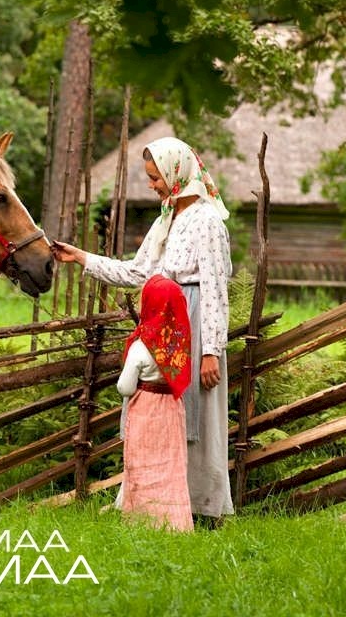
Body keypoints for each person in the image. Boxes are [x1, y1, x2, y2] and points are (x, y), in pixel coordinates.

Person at [52, 136, 234, 520]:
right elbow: (137, 272)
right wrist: (82, 257)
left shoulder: (208, 222)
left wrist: (211, 350)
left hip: (193, 323)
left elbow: (217, 287)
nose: (151, 186)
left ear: (176, 174)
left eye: (156, 179)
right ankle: (153, 499)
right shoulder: (166, 219)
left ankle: (200, 503)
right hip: (163, 321)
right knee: (158, 407)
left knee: (193, 412)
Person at [117, 274, 194, 531]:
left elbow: (125, 387)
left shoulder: (141, 347)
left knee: (143, 463)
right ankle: (176, 522)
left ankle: (142, 520)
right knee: (171, 465)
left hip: (146, 409)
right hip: (172, 409)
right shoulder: (178, 344)